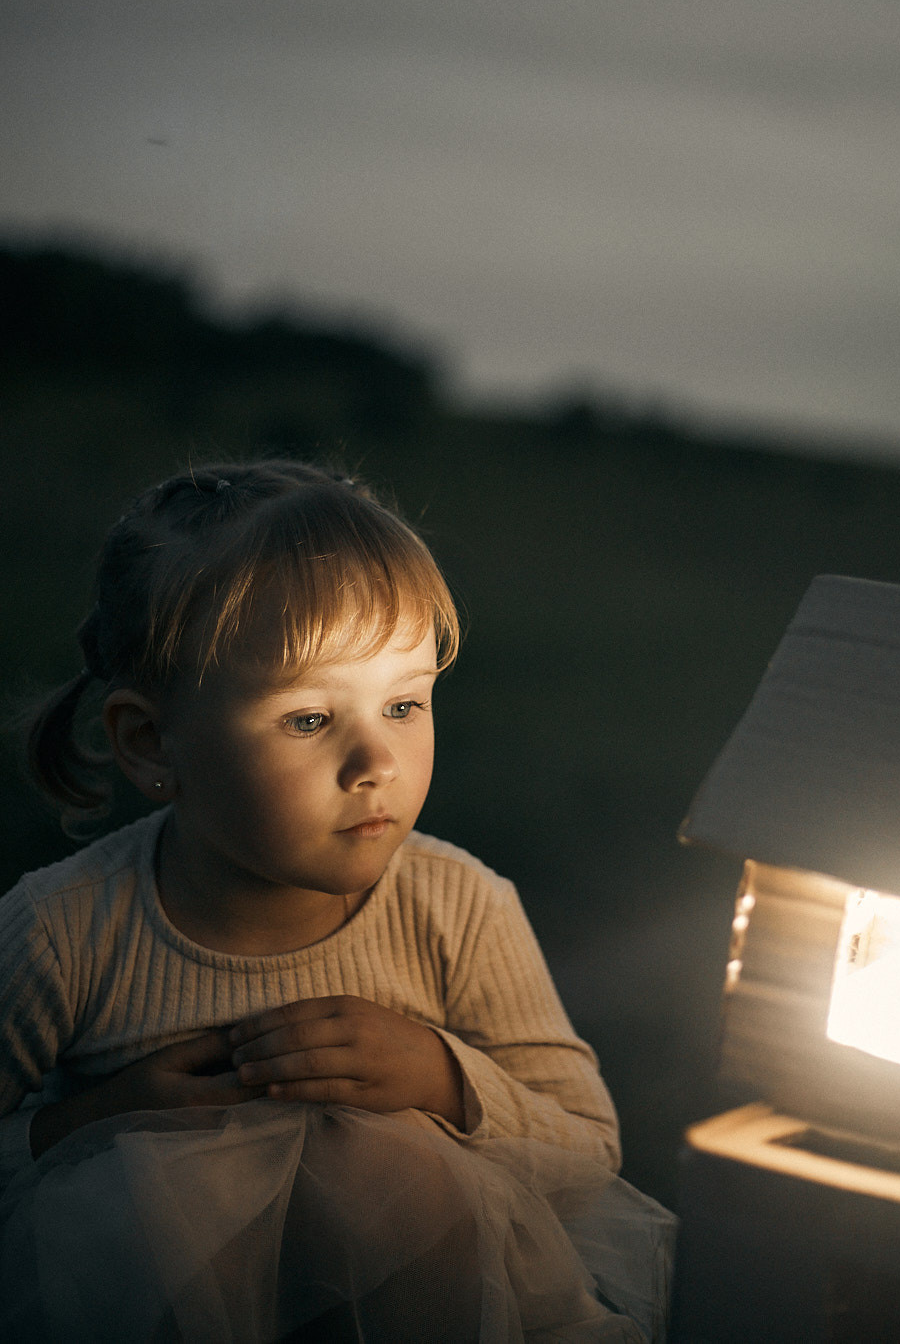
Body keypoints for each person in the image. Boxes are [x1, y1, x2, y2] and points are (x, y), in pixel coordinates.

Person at [0, 461, 674, 1343]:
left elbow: (589, 1151)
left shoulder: (458, 906)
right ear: (150, 740)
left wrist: (442, 1076)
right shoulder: (64, 933)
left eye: (403, 705)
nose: (377, 764)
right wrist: (91, 1122)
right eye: (310, 720)